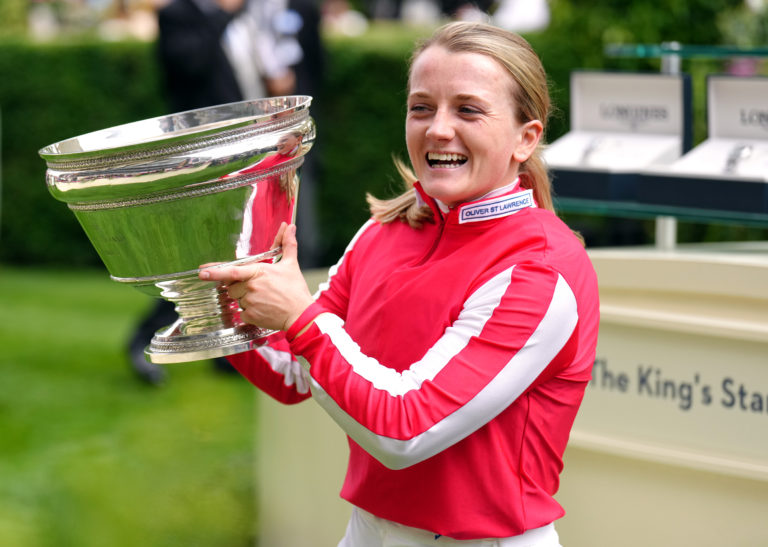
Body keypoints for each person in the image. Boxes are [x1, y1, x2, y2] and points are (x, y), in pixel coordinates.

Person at [200, 21, 600, 546]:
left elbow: (405, 428)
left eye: (468, 109)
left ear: (526, 137)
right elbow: (295, 374)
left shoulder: (540, 269)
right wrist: (219, 299)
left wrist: (299, 315)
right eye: (422, 107)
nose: (438, 129)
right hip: (368, 531)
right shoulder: (385, 229)